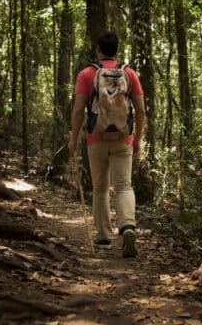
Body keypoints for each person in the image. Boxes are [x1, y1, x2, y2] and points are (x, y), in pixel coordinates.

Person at [68, 31, 145, 258]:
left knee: (100, 187)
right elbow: (140, 110)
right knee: (124, 186)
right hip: (123, 139)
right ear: (117, 50)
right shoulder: (129, 74)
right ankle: (128, 227)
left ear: (98, 50)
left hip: (96, 139)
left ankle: (103, 237)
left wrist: (74, 139)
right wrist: (138, 139)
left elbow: (78, 109)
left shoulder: (87, 74)